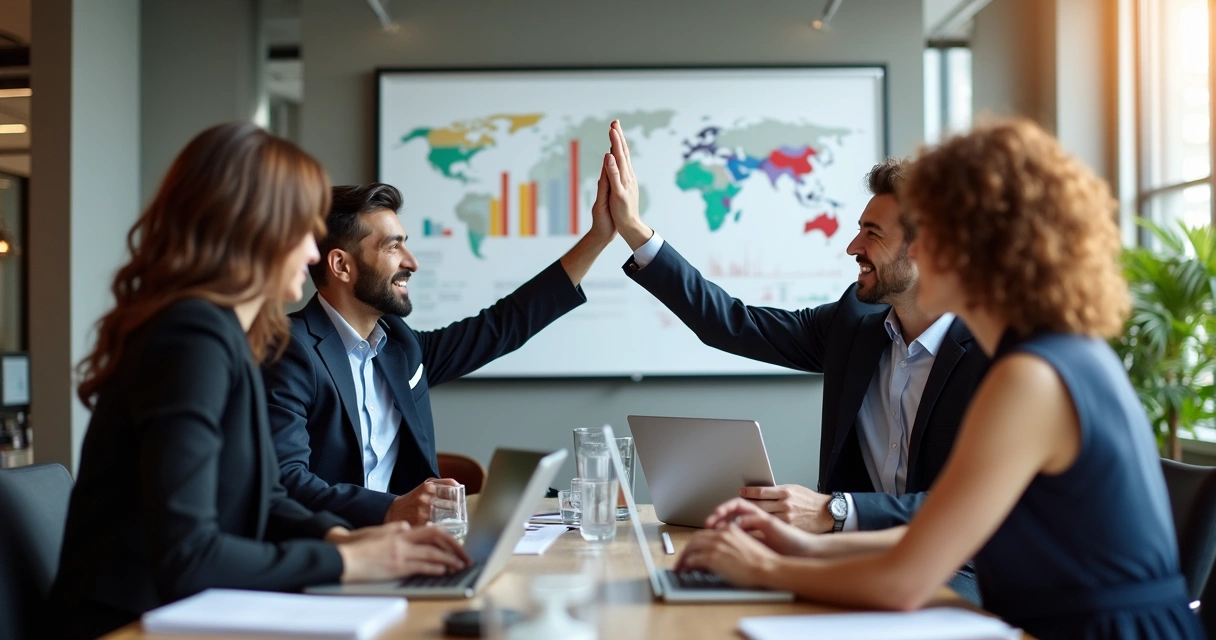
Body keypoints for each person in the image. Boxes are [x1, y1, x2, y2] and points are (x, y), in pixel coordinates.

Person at [673, 120, 1204, 640]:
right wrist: (795, 545)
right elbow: (930, 540)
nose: (920, 252)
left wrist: (761, 570)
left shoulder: (1031, 377)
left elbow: (906, 580)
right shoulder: (1047, 355)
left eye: (932, 234)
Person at [46, 123, 470, 640]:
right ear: (255, 230)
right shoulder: (189, 339)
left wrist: (343, 540)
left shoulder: (226, 334)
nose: (313, 254)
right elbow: (189, 555)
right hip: (129, 624)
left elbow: (265, 495)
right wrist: (344, 564)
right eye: (301, 230)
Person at [600, 121, 988, 599]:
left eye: (872, 233)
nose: (853, 247)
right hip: (844, 558)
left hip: (961, 573)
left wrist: (835, 510)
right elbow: (730, 323)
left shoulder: (991, 356)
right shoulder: (853, 326)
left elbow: (978, 510)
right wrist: (636, 232)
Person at [262, 166, 618, 528]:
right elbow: (286, 480)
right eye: (393, 246)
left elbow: (501, 326)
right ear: (341, 265)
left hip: (411, 545)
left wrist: (598, 238)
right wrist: (390, 510)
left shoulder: (400, 346)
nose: (411, 262)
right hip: (329, 553)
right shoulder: (290, 350)